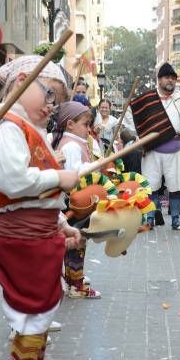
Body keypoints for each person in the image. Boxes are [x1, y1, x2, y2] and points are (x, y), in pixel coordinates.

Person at [0, 55, 82, 360]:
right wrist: (60, 179)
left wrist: (59, 222)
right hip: (20, 240)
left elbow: (32, 195)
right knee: (31, 315)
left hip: (37, 236)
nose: (52, 107)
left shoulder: (24, 127)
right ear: (24, 80)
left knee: (42, 313)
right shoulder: (7, 126)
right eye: (49, 95)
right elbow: (12, 182)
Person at [123, 62, 180, 231]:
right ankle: (150, 218)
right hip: (152, 149)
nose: (171, 81)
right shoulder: (147, 99)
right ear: (159, 80)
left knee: (176, 185)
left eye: (173, 78)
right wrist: (140, 138)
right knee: (151, 185)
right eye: (167, 77)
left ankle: (175, 219)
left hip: (176, 147)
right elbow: (129, 116)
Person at [52, 101, 102, 299]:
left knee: (73, 243)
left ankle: (72, 279)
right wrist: (96, 166)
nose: (88, 129)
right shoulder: (71, 145)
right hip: (74, 204)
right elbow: (73, 177)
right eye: (85, 124)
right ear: (70, 124)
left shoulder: (70, 141)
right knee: (77, 242)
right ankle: (76, 285)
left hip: (71, 204)